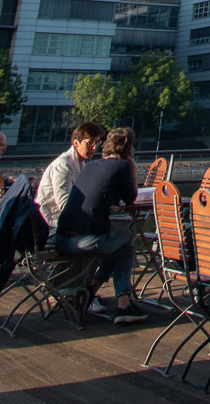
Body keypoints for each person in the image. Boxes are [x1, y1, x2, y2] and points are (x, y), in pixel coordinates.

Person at [54, 125, 146, 321]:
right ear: (129, 150)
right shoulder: (121, 166)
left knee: (118, 248)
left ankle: (92, 293)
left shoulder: (92, 166)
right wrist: (132, 166)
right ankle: (122, 304)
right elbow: (131, 198)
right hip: (85, 239)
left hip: (62, 238)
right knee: (127, 242)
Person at [37, 120, 105, 227]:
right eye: (90, 142)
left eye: (97, 143)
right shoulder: (63, 165)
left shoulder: (81, 165)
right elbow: (65, 204)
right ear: (76, 143)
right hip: (50, 223)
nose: (94, 147)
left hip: (64, 220)